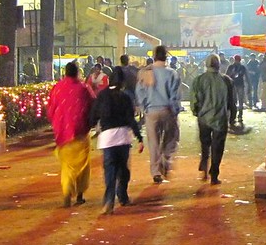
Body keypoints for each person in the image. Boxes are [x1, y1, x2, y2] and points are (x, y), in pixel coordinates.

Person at [90, 68, 144, 214]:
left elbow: (94, 115)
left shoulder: (102, 96)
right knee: (123, 170)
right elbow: (131, 120)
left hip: (107, 139)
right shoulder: (125, 97)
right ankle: (123, 196)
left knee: (110, 171)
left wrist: (93, 125)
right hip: (123, 138)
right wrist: (139, 138)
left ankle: (108, 200)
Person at [47, 61, 95, 207]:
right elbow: (94, 105)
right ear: (78, 73)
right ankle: (79, 195)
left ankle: (67, 191)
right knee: (82, 165)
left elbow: (51, 109)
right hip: (81, 132)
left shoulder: (57, 88)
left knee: (67, 165)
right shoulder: (84, 88)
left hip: (63, 133)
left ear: (65, 73)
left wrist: (57, 124)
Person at [136, 45, 182, 184]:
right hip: (167, 110)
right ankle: (165, 160)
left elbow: (140, 93)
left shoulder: (146, 71)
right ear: (166, 57)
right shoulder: (172, 73)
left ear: (154, 56)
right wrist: (175, 112)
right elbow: (175, 95)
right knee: (172, 138)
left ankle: (155, 171)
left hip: (151, 112)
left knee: (153, 142)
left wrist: (145, 108)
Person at [190, 54, 235, 185]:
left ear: (206, 65)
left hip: (204, 118)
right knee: (218, 147)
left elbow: (194, 100)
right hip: (220, 120)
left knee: (205, 144)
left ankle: (204, 164)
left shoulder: (198, 80)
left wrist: (196, 112)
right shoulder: (226, 80)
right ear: (219, 65)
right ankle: (214, 174)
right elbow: (232, 103)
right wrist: (232, 119)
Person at [225, 55, 250, 127]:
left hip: (235, 85)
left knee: (235, 101)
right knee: (237, 101)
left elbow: (226, 76)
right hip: (237, 85)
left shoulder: (233, 67)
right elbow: (227, 76)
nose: (237, 61)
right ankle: (237, 116)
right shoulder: (240, 67)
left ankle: (237, 116)